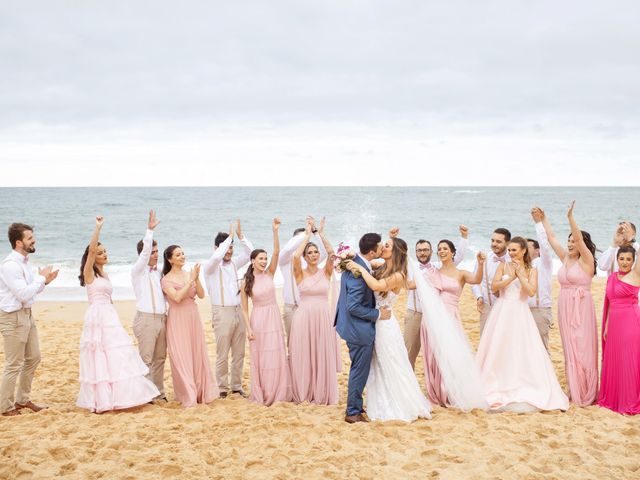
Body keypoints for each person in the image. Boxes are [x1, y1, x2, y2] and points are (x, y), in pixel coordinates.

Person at [345, 231, 431, 422]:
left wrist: (357, 268)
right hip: (375, 322)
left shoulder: (399, 275)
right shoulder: (382, 266)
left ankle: (399, 402)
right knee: (378, 364)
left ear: (395, 252)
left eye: (387, 246)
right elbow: (369, 260)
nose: (383, 247)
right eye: (384, 244)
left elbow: (375, 286)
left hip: (385, 325)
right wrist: (351, 260)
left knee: (390, 362)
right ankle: (380, 400)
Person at [476, 237, 568, 412]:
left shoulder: (532, 270)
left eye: (514, 250)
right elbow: (494, 287)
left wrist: (520, 275)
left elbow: (531, 291)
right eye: (509, 250)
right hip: (502, 310)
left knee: (520, 348)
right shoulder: (503, 266)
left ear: (523, 251)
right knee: (499, 348)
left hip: (520, 311)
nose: (510, 253)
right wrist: (510, 277)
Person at [77, 216, 159, 413]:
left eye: (105, 251)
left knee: (117, 354)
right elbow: (90, 252)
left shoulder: (105, 274)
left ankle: (121, 395)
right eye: (100, 252)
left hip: (109, 315)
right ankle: (102, 399)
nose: (104, 254)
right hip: (97, 316)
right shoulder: (90, 273)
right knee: (100, 355)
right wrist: (98, 228)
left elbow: (108, 297)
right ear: (94, 255)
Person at [541, 201, 598, 406]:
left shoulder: (587, 260)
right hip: (565, 306)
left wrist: (570, 218)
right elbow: (552, 237)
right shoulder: (565, 258)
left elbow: (581, 240)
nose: (572, 243)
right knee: (569, 347)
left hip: (581, 308)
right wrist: (543, 219)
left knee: (582, 346)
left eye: (575, 241)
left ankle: (585, 389)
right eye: (570, 241)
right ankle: (573, 388)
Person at [0, 223, 58, 417]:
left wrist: (45, 281)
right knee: (13, 364)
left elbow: (30, 292)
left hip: (27, 314)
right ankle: (6, 407)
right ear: (19, 242)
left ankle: (22, 400)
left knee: (34, 357)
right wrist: (40, 279)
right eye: (29, 238)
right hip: (12, 317)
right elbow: (23, 294)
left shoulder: (24, 263)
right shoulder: (10, 265)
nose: (34, 241)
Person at [420, 240, 485, 406]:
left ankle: (450, 391)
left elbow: (477, 280)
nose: (441, 251)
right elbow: (415, 285)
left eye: (445, 249)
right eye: (439, 249)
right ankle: (437, 391)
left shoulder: (461, 273)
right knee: (435, 354)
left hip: (451, 314)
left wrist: (480, 263)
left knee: (451, 353)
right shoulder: (432, 272)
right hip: (434, 316)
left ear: (452, 252)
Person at [335, 232, 390, 423]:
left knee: (358, 368)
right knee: (359, 370)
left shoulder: (356, 261)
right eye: (381, 247)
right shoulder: (358, 272)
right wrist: (378, 315)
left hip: (350, 326)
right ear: (373, 252)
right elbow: (354, 307)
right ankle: (352, 412)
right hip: (358, 330)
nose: (383, 249)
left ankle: (355, 406)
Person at [241, 218, 291, 406]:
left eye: (265, 258)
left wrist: (275, 231)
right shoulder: (246, 281)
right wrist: (248, 329)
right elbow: (244, 309)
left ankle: (277, 390)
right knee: (262, 356)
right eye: (260, 258)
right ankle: (264, 391)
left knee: (276, 353)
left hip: (273, 317)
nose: (264, 261)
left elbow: (277, 252)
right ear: (252, 261)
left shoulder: (269, 273)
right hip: (258, 319)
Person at [289, 218, 338, 405]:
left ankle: (321, 391)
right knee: (304, 354)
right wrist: (307, 235)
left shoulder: (325, 272)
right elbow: (294, 256)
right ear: (305, 256)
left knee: (321, 353)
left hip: (323, 316)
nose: (314, 254)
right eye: (309, 252)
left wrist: (320, 235)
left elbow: (332, 254)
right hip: (304, 316)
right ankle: (304, 391)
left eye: (316, 251)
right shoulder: (299, 272)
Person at [404, 225, 468, 369]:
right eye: (419, 250)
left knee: (436, 354)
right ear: (415, 253)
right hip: (415, 314)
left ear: (432, 251)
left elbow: (458, 257)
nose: (422, 253)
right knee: (409, 352)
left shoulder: (438, 267)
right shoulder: (409, 267)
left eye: (426, 250)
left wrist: (464, 237)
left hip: (434, 316)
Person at [161, 245, 218, 407]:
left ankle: (200, 391)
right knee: (181, 356)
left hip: (193, 317)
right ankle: (188, 393)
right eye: (178, 255)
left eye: (183, 253)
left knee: (196, 353)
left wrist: (196, 278)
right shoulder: (166, 279)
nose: (182, 257)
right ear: (170, 259)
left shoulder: (189, 274)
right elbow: (177, 297)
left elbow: (200, 295)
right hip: (177, 319)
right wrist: (191, 280)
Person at [203, 220, 253, 399]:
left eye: (231, 248)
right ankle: (222, 387)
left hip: (238, 310)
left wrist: (240, 237)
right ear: (216, 248)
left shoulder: (234, 264)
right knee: (222, 353)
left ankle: (236, 386)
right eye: (226, 248)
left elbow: (250, 253)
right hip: (221, 312)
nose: (229, 252)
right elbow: (216, 257)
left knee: (239, 352)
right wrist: (228, 239)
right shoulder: (210, 267)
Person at [598, 245, 640, 414]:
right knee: (615, 359)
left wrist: (633, 239)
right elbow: (609, 303)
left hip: (630, 322)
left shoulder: (636, 274)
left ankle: (627, 399)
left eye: (628, 259)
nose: (624, 262)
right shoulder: (612, 277)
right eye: (621, 259)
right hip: (614, 324)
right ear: (617, 259)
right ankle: (614, 398)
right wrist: (607, 325)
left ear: (633, 261)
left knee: (628, 359)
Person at [130, 210, 167, 400]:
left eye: (156, 252)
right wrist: (149, 231)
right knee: (146, 359)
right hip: (145, 320)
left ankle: (159, 392)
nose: (155, 255)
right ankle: (145, 394)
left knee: (160, 358)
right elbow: (144, 254)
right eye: (152, 253)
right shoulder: (138, 271)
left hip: (162, 319)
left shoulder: (158, 273)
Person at [279, 217, 328, 345]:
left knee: (309, 343)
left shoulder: (308, 260)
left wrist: (316, 233)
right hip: (292, 308)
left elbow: (324, 252)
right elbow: (289, 249)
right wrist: (306, 234)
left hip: (308, 308)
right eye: (300, 240)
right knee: (292, 343)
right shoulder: (285, 259)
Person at [472, 228, 511, 336]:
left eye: (498, 241)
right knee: (485, 341)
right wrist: (479, 296)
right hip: (487, 307)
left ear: (507, 243)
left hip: (508, 310)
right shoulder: (484, 259)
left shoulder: (513, 260)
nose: (494, 244)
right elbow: (475, 281)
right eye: (492, 240)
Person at [528, 208, 554, 352]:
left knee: (541, 349)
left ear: (537, 251)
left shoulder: (544, 263)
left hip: (540, 310)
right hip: (523, 310)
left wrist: (539, 223)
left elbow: (545, 245)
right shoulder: (520, 265)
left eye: (527, 246)